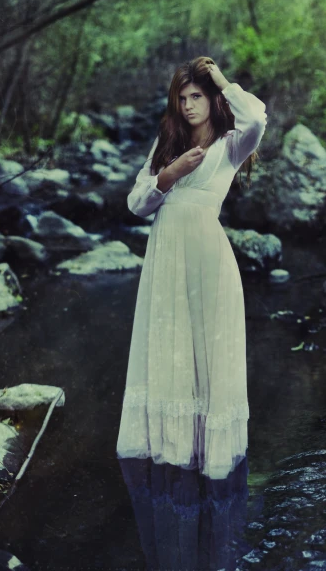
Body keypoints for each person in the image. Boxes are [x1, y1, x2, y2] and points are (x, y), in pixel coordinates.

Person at [116, 56, 267, 480]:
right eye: (182, 98)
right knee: (171, 339)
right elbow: (136, 204)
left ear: (212, 98)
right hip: (165, 253)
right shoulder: (167, 140)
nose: (188, 105)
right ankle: (171, 445)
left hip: (207, 255)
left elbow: (257, 116)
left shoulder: (232, 143)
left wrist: (221, 79)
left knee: (207, 343)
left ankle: (209, 449)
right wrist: (168, 175)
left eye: (197, 96)